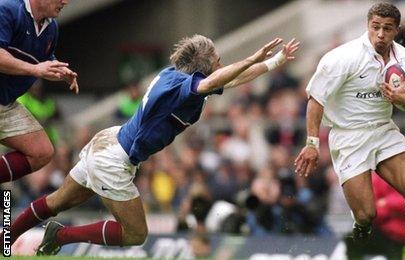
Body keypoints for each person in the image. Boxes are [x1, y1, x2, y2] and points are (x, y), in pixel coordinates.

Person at [7, 35, 300, 255]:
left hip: (109, 141)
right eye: (218, 60)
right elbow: (217, 81)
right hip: (114, 159)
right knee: (136, 234)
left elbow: (230, 80)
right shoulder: (183, 87)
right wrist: (251, 58)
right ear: (204, 66)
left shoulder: (176, 75)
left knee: (57, 201)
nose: (221, 65)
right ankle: (61, 237)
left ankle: (5, 239)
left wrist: (273, 62)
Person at [294, 3, 405, 259]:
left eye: (387, 28)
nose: (381, 34)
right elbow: (316, 99)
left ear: (396, 30)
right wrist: (312, 144)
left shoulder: (403, 58)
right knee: (366, 214)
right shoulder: (343, 57)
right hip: (349, 136)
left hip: (383, 130)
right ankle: (360, 226)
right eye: (376, 27)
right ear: (368, 25)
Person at [0, 0, 78, 184]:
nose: (66, 2)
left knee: (42, 152)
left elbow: (43, 62)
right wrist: (35, 69)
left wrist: (58, 71)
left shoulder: (52, 29)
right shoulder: (8, 9)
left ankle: (7, 205)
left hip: (6, 104)